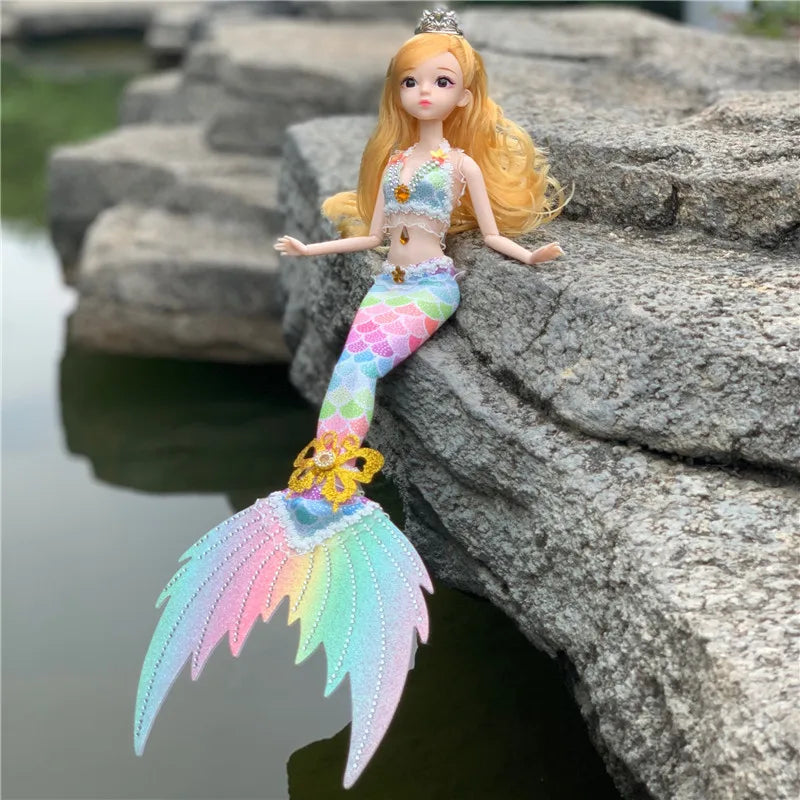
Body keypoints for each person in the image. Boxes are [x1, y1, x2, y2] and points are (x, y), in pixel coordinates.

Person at [135, 9, 566, 789]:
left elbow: (493, 235)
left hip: (428, 287)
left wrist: (528, 255)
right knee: (345, 371)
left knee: (360, 372)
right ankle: (320, 487)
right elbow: (371, 236)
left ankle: (334, 488)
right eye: (411, 81)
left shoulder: (460, 167)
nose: (424, 93)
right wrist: (310, 246)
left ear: (465, 97)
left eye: (440, 82)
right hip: (386, 282)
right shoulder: (396, 159)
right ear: (397, 90)